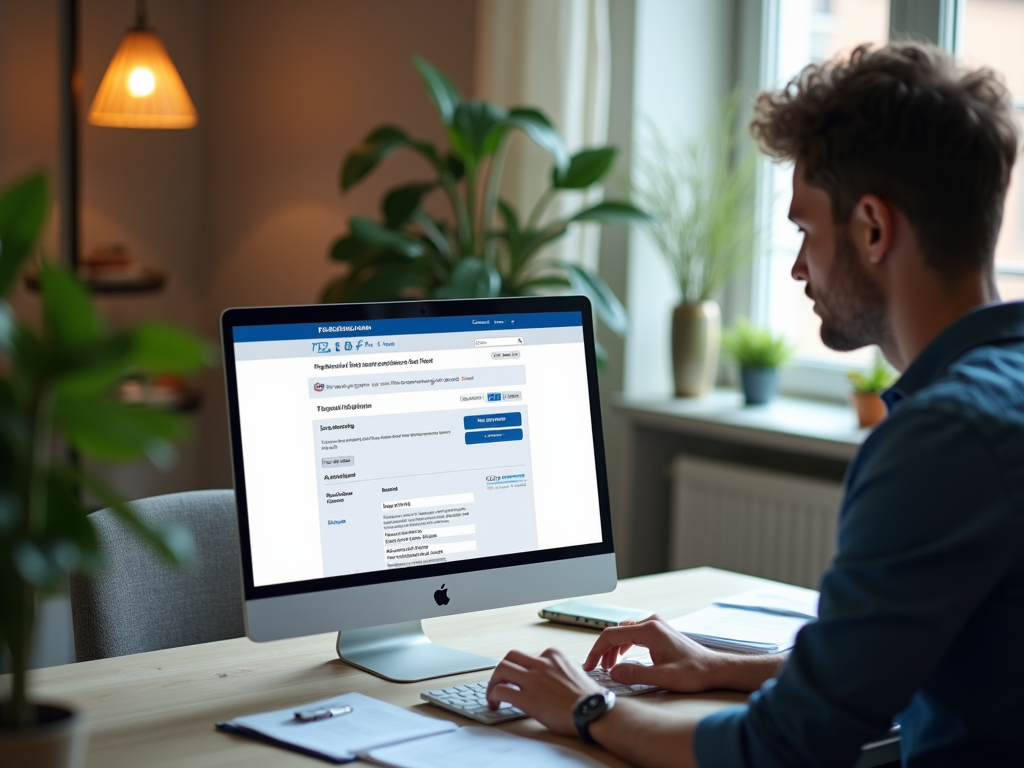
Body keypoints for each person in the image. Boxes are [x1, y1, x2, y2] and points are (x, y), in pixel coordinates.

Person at [485, 42, 1024, 768]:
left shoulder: (943, 437)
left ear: (872, 227)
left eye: (806, 230)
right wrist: (717, 665)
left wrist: (589, 707)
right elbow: (910, 661)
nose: (799, 266)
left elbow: (782, 748)